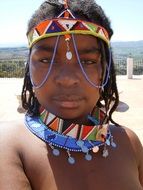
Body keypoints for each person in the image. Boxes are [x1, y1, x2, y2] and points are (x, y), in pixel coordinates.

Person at [0, 0, 143, 189]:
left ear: (105, 69)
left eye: (88, 61)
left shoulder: (128, 142)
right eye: (45, 60)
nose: (67, 79)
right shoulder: (9, 145)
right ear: (29, 70)